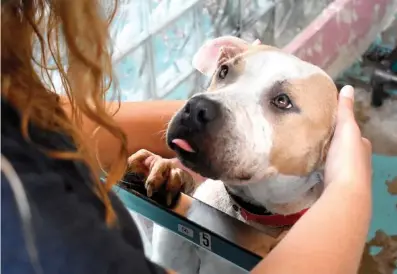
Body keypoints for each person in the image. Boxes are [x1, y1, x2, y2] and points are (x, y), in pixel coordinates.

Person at [1, 1, 372, 274]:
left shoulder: (15, 112)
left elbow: (56, 120)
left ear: (325, 150)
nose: (207, 101)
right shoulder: (27, 220)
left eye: (280, 102)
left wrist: (202, 144)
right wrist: (350, 189)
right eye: (224, 73)